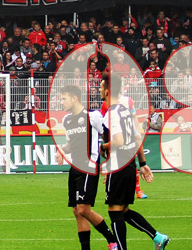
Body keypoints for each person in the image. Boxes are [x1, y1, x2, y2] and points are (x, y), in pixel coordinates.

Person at [101, 75, 168, 250]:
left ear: (107, 91)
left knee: (114, 211)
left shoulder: (112, 113)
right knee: (123, 211)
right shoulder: (125, 111)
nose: (99, 90)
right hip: (130, 166)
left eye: (101, 87)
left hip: (119, 167)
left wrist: (103, 146)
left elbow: (118, 141)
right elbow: (137, 137)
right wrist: (143, 164)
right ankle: (157, 237)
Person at [58, 85, 118, 250]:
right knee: (77, 211)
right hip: (75, 167)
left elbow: (106, 136)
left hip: (89, 166)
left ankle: (113, 241)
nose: (61, 102)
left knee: (84, 209)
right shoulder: (67, 120)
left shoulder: (93, 116)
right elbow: (71, 143)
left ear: (74, 98)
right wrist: (61, 150)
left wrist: (109, 160)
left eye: (64, 99)